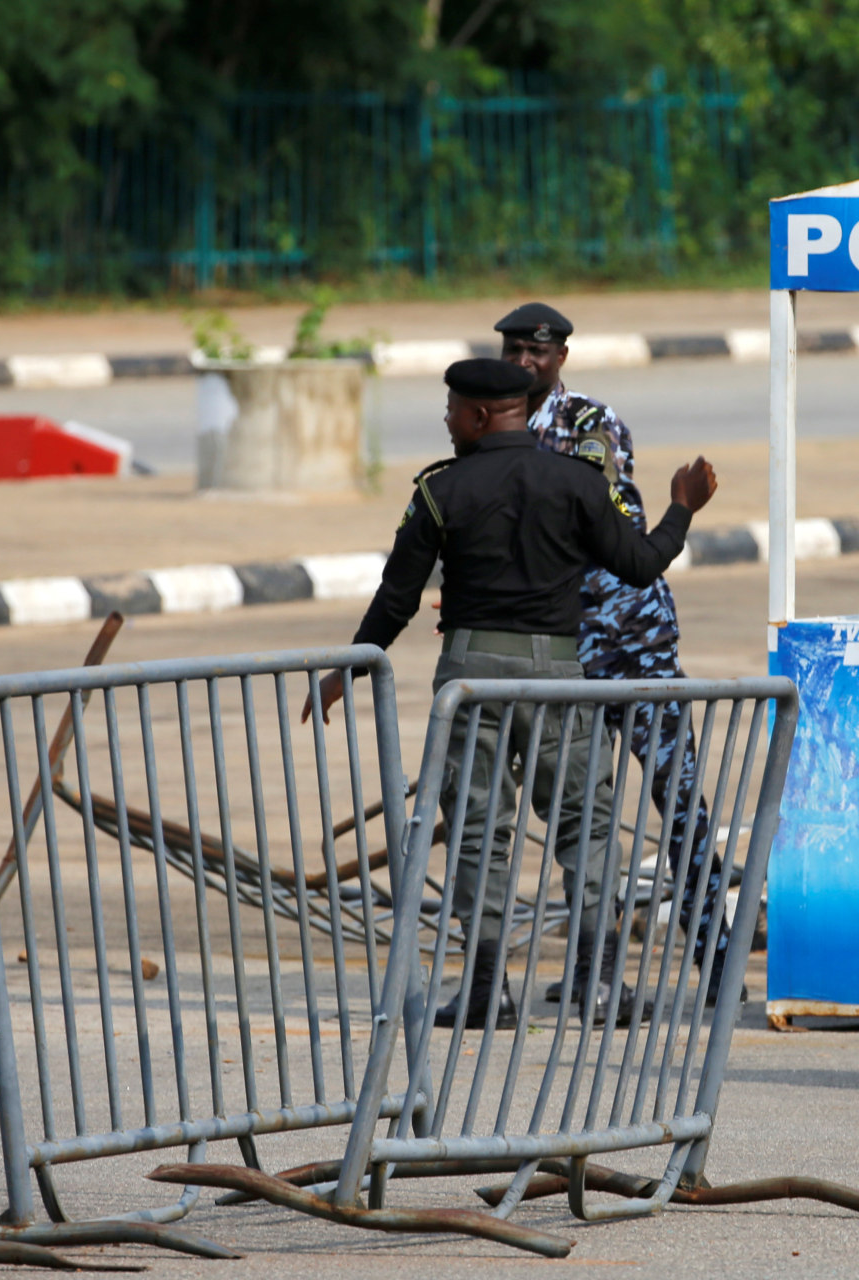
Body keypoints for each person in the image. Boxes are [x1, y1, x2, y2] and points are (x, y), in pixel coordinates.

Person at [305, 357, 718, 1032]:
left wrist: (347, 670)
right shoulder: (577, 483)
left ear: (478, 416)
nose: (445, 421)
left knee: (478, 830)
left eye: (450, 411)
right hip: (557, 675)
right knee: (584, 825)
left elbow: (397, 599)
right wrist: (682, 506)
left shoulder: (441, 490)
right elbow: (641, 565)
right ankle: (601, 985)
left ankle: (485, 990)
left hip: (470, 678)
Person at [496, 302, 737, 1001]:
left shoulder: (589, 426)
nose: (523, 364)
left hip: (633, 642)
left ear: (560, 356)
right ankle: (593, 971)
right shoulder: (497, 424)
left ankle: (718, 963)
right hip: (562, 647)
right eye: (513, 350)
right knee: (583, 811)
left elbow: (601, 527)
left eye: (536, 353)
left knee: (679, 803)